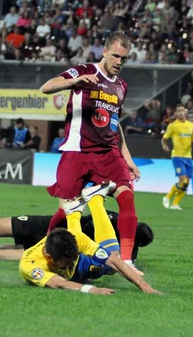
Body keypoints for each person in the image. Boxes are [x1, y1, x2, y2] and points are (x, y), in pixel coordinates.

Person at [40, 31, 141, 270]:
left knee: (126, 197)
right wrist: (73, 82)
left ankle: (127, 261)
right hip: (77, 151)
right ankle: (45, 247)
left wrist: (128, 159)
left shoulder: (121, 87)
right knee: (66, 211)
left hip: (107, 153)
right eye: (115, 56)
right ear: (104, 52)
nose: (119, 62)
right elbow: (46, 87)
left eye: (123, 59)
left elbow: (116, 124)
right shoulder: (84, 70)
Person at [0, 181, 154, 262]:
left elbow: (124, 265)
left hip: (58, 246)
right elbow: (80, 224)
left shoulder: (128, 251)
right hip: (51, 226)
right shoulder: (111, 219)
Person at [19, 182, 159, 294]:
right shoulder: (30, 265)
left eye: (74, 257)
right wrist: (91, 289)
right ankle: (80, 208)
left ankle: (79, 209)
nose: (71, 262)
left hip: (82, 261)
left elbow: (114, 260)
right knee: (106, 267)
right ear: (49, 258)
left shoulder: (76, 238)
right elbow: (59, 283)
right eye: (68, 261)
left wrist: (145, 286)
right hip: (78, 271)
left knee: (113, 259)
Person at [161, 104, 193, 210]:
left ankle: (175, 204)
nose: (180, 112)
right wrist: (164, 145)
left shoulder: (191, 125)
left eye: (182, 110)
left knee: (186, 183)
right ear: (175, 113)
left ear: (185, 112)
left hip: (188, 157)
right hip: (177, 156)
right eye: (178, 111)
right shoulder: (173, 125)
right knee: (182, 181)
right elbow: (165, 138)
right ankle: (167, 197)